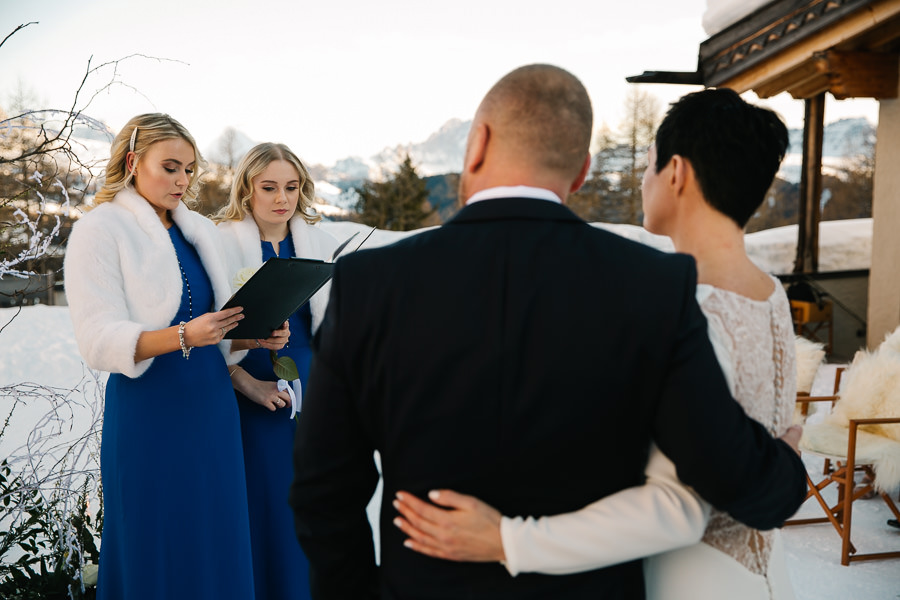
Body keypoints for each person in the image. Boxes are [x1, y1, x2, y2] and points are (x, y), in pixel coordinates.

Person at [289, 65, 807, 600]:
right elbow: (726, 470)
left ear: (477, 144)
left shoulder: (370, 284)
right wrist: (788, 467)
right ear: (581, 171)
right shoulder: (653, 286)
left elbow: (323, 490)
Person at [64, 113, 256, 599]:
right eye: (170, 167)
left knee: (216, 538)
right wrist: (183, 336)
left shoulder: (201, 232)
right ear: (132, 162)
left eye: (190, 169)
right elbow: (98, 339)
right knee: (155, 543)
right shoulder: (100, 230)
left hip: (213, 411)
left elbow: (217, 321)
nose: (183, 180)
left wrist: (251, 334)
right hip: (150, 413)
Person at [215, 142, 338, 600]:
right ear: (247, 189)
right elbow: (206, 331)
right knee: (263, 505)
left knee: (311, 505)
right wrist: (246, 383)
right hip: (246, 392)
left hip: (312, 389)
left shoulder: (319, 243)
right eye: (268, 187)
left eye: (291, 187)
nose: (281, 198)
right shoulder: (219, 243)